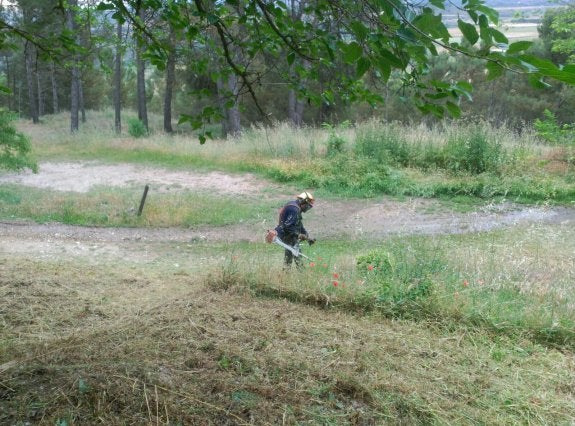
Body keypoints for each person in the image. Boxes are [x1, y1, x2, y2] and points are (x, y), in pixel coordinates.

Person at [274, 191, 316, 268]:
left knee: (290, 255)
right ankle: (302, 274)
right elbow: (287, 226)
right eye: (308, 206)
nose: (308, 208)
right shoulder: (294, 209)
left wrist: (306, 235)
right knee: (296, 255)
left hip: (289, 235)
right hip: (286, 235)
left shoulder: (295, 206)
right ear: (303, 202)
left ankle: (286, 274)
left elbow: (298, 223)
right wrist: (298, 235)